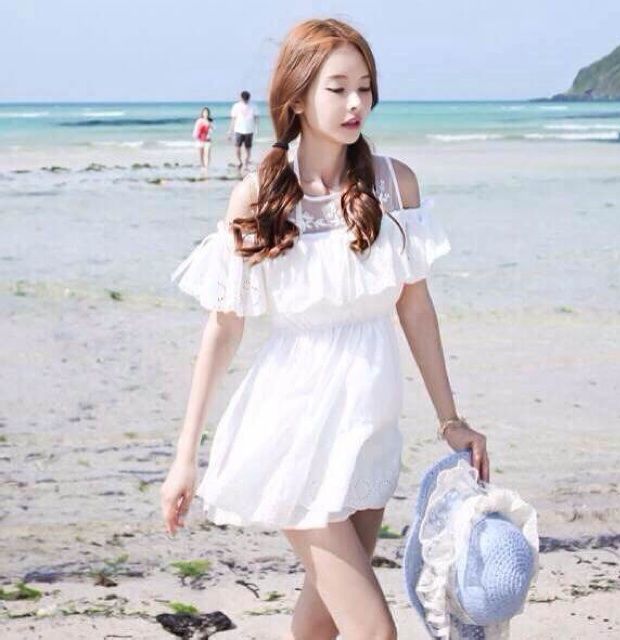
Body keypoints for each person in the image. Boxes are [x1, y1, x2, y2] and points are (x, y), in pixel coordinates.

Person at [162, 18, 489, 640]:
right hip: (293, 432)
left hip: (370, 426)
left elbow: (416, 310)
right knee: (375, 632)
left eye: (364, 87)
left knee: (319, 627)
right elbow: (223, 329)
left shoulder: (394, 185)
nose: (355, 102)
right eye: (337, 88)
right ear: (297, 97)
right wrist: (185, 458)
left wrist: (450, 419)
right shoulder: (258, 196)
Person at [227, 90, 259, 171]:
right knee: (237, 148)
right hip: (238, 130)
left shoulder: (253, 106)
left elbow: (256, 118)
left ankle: (246, 164)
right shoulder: (236, 106)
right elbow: (233, 119)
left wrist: (256, 129)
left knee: (248, 149)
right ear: (241, 98)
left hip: (249, 131)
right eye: (244, 99)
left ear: (249, 98)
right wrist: (230, 131)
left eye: (246, 99)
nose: (245, 101)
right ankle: (240, 161)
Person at [192, 107, 214, 172]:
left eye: (207, 112)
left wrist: (210, 126)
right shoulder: (199, 120)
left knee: (207, 154)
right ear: (202, 113)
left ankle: (206, 166)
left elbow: (211, 131)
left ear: (208, 113)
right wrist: (195, 136)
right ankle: (202, 166)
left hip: (207, 140)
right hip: (200, 140)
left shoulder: (210, 121)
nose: (205, 113)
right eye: (204, 112)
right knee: (201, 154)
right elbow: (196, 129)